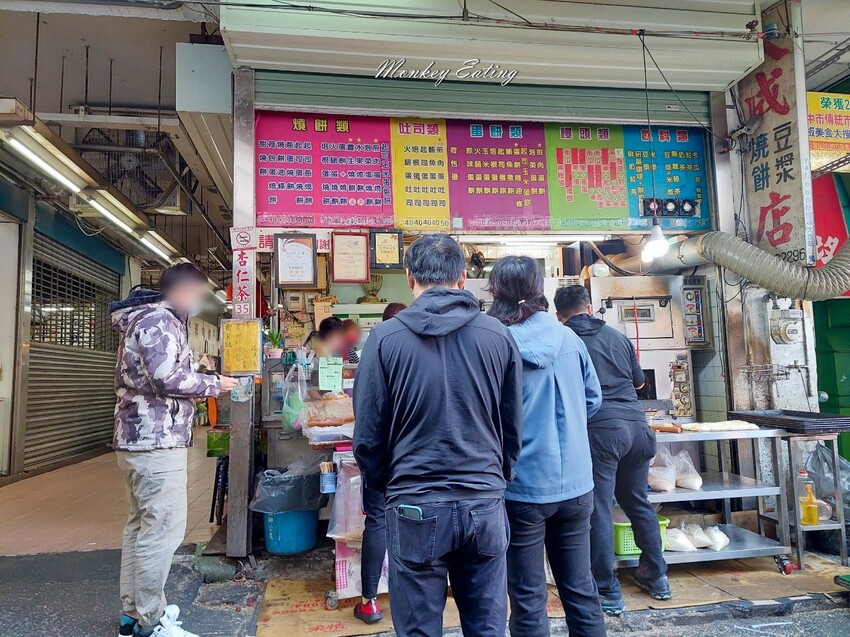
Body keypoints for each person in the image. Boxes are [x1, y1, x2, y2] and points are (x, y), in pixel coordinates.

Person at [353, 234, 523, 637]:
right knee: (487, 627)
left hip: (413, 507)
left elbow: (368, 437)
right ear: (462, 278)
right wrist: (497, 479)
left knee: (418, 630)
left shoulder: (383, 340)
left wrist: (388, 489)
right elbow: (513, 427)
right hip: (483, 501)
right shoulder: (498, 336)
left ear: (409, 276)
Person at [110, 264, 238, 637]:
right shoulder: (159, 321)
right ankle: (152, 621)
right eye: (199, 293)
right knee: (161, 530)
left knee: (141, 527)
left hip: (140, 440)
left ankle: (133, 614)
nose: (201, 300)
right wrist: (215, 383)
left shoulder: (151, 319)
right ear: (182, 291)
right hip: (154, 440)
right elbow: (166, 377)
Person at [487, 257, 606, 637]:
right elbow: (592, 400)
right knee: (581, 589)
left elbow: (487, 412)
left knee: (527, 595)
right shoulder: (569, 338)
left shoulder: (496, 342)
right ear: (540, 291)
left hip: (522, 486)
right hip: (576, 482)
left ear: (497, 292)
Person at [555, 285, 671, 615]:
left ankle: (606, 588)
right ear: (589, 307)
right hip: (638, 429)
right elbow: (638, 384)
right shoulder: (618, 337)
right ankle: (657, 576)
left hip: (602, 432)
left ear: (559, 315)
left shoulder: (565, 339)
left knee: (600, 509)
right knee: (638, 502)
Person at [352, 301, 408, 625]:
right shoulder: (424, 345)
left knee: (378, 522)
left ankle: (369, 601)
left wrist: (368, 463)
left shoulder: (377, 345)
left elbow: (365, 406)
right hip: (417, 456)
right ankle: (411, 597)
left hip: (384, 456)